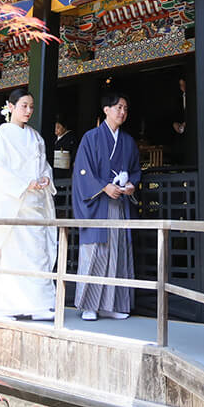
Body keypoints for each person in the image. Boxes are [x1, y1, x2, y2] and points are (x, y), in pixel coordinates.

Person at [0, 88, 58, 320]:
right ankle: (5, 306)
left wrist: (45, 178)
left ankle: (38, 305)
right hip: (13, 204)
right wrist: (26, 183)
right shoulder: (3, 133)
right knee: (11, 254)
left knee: (37, 253)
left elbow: (44, 165)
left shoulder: (36, 136)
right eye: (24, 105)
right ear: (11, 106)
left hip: (35, 205)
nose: (28, 110)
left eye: (31, 106)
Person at [71, 91, 141, 321]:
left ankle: (112, 305)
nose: (123, 112)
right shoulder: (90, 138)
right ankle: (89, 306)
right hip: (98, 204)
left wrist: (131, 185)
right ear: (106, 110)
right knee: (97, 252)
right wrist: (103, 187)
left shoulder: (128, 142)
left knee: (117, 252)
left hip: (119, 204)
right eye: (118, 107)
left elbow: (135, 171)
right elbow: (82, 172)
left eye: (125, 109)